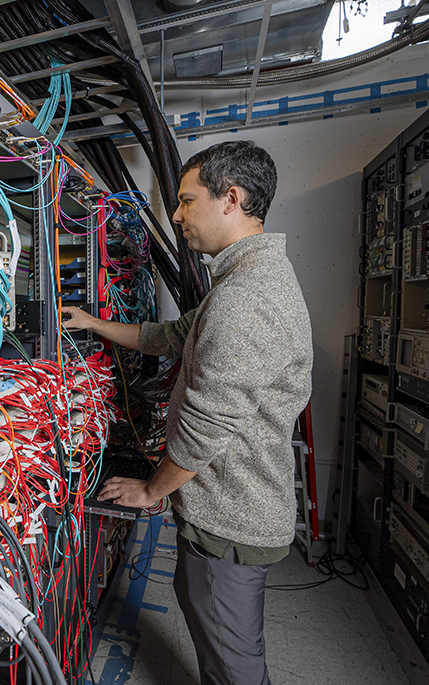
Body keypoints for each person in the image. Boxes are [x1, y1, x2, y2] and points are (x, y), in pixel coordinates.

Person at [64, 140, 313, 685]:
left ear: (232, 199)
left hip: (232, 517)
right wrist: (94, 323)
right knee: (210, 625)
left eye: (185, 200)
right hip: (225, 510)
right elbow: (173, 335)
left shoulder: (248, 299)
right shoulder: (243, 282)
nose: (175, 215)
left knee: (233, 662)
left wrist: (151, 491)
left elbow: (208, 427)